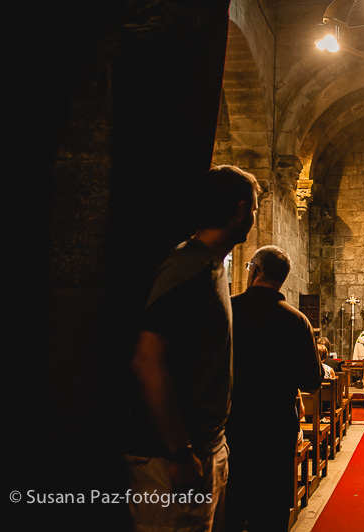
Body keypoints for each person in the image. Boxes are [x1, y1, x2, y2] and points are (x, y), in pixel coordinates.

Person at [124, 165, 260, 532]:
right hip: (172, 460)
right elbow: (147, 360)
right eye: (254, 210)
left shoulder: (208, 266)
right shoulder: (188, 266)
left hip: (204, 448)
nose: (253, 218)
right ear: (239, 210)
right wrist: (179, 452)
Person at [226, 245, 323, 532]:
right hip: (276, 428)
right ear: (282, 279)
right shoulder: (297, 321)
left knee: (231, 506)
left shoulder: (228, 310)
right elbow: (312, 382)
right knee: (270, 511)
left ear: (254, 271)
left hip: (232, 425)